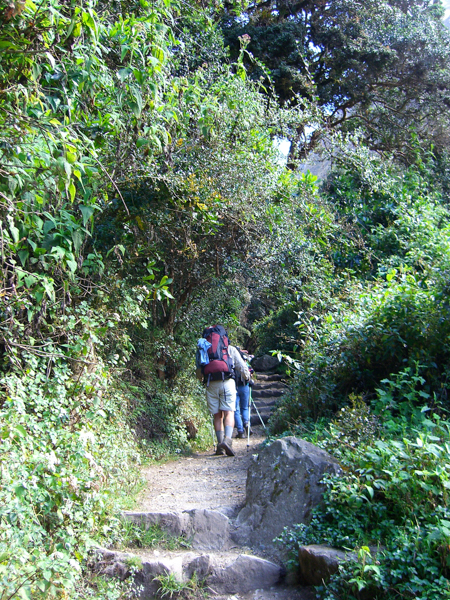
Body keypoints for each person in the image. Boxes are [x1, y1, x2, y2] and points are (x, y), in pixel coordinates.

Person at [199, 326, 250, 456]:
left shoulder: (203, 349)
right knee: (229, 413)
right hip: (227, 382)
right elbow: (242, 367)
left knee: (217, 415)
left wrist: (202, 380)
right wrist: (247, 378)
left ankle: (220, 446)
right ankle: (228, 440)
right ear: (224, 337)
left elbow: (198, 371)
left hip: (211, 384)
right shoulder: (229, 349)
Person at [234, 349, 254, 438]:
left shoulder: (232, 361)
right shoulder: (244, 363)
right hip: (245, 386)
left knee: (236, 410)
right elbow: (251, 372)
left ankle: (240, 431)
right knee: (245, 408)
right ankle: (246, 423)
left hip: (234, 387)